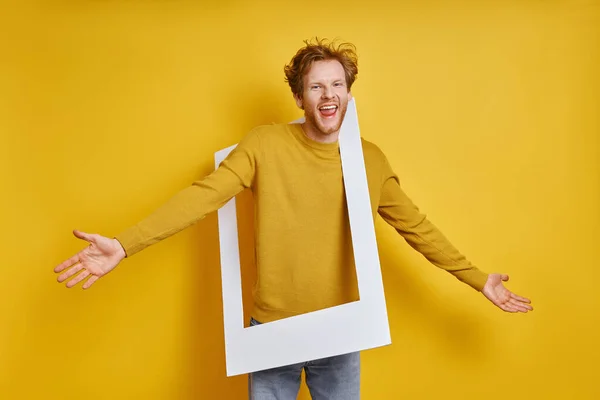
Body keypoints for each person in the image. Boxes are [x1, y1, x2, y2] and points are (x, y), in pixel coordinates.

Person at [54, 38, 533, 400]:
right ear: (300, 96)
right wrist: (124, 244)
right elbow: (202, 197)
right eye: (316, 86)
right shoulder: (264, 144)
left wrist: (477, 280)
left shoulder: (369, 159)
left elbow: (416, 227)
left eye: (337, 85)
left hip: (342, 330)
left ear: (349, 93)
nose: (328, 95)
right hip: (271, 331)